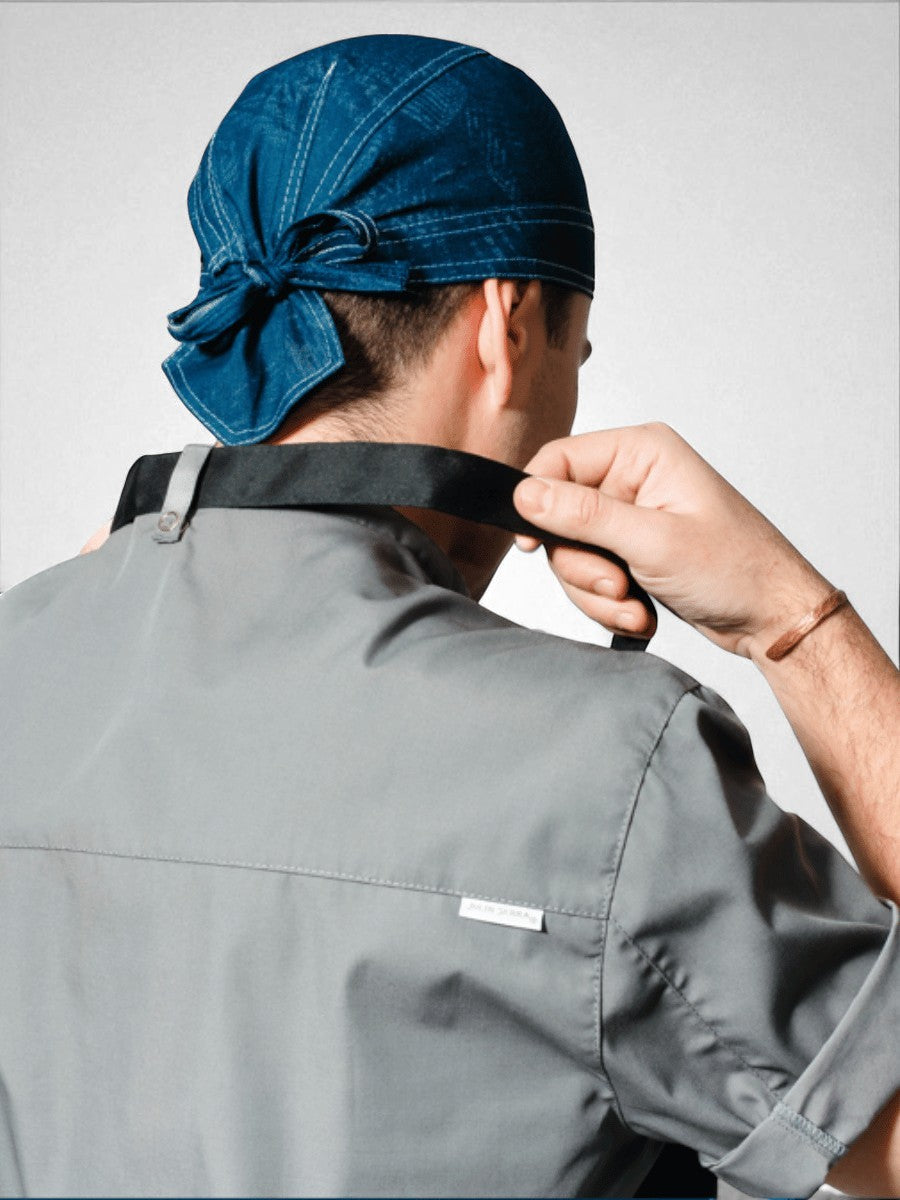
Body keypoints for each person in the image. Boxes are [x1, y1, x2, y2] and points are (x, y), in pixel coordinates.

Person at [1, 32, 897, 1199]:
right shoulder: (612, 773)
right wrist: (792, 622)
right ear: (505, 324)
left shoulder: (20, 669)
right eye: (578, 344)